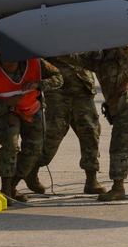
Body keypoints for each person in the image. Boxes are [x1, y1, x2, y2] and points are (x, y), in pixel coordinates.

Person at [60, 46, 128, 201]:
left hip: (127, 105)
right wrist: (55, 48)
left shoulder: (121, 53)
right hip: (117, 107)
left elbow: (125, 46)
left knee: (119, 148)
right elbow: (73, 59)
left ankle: (118, 188)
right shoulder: (97, 57)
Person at [0, 44, 63, 202]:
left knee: (34, 149)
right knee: (10, 146)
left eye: (14, 59)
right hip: (9, 114)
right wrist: (7, 104)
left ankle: (14, 184)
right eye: (7, 60)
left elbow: (59, 78)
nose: (11, 63)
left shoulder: (36, 63)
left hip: (33, 111)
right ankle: (6, 189)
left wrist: (39, 85)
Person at [37, 55, 106, 194]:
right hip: (58, 90)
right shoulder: (46, 36)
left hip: (83, 89)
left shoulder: (80, 35)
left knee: (90, 132)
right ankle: (31, 171)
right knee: (53, 134)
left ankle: (91, 179)